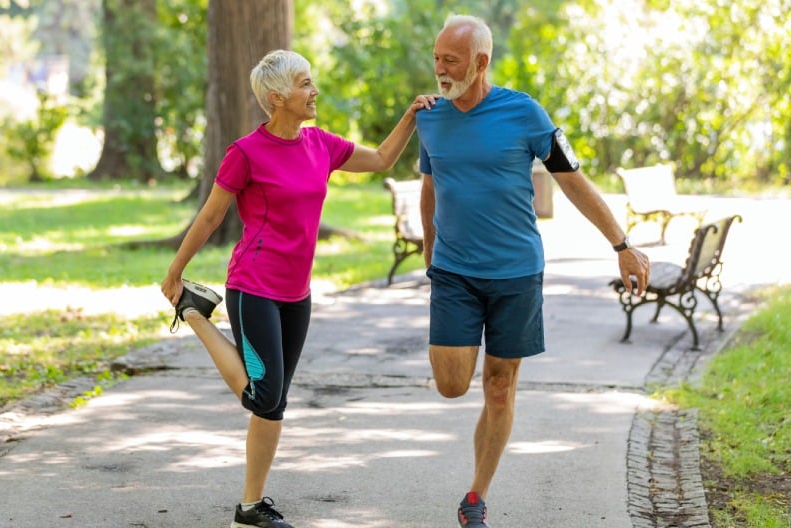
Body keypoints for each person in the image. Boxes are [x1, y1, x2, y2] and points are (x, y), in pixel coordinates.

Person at [161, 49, 438, 528]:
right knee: (264, 396)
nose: (314, 91)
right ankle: (195, 314)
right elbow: (210, 216)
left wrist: (411, 115)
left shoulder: (320, 144)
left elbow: (381, 158)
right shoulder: (245, 153)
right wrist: (175, 272)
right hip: (254, 286)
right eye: (305, 84)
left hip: (297, 293)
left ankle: (250, 507)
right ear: (276, 97)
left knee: (275, 403)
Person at [415, 14, 652, 528]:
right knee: (451, 384)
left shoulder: (524, 113)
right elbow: (429, 188)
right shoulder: (429, 117)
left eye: (451, 60)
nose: (440, 69)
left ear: (481, 62)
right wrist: (430, 256)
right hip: (453, 272)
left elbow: (573, 180)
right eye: (436, 59)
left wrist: (622, 244)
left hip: (516, 273)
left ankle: (475, 497)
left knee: (499, 386)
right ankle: (475, 481)